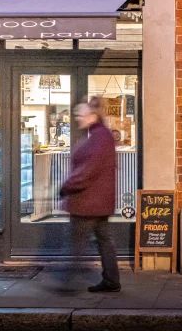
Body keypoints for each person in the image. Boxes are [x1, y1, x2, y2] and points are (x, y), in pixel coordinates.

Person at [56, 97, 121, 293]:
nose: (77, 118)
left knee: (77, 242)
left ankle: (68, 283)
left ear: (92, 116)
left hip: (88, 201)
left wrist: (67, 186)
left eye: (81, 115)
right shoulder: (98, 135)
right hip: (98, 200)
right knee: (104, 240)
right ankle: (111, 280)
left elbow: (87, 170)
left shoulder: (98, 138)